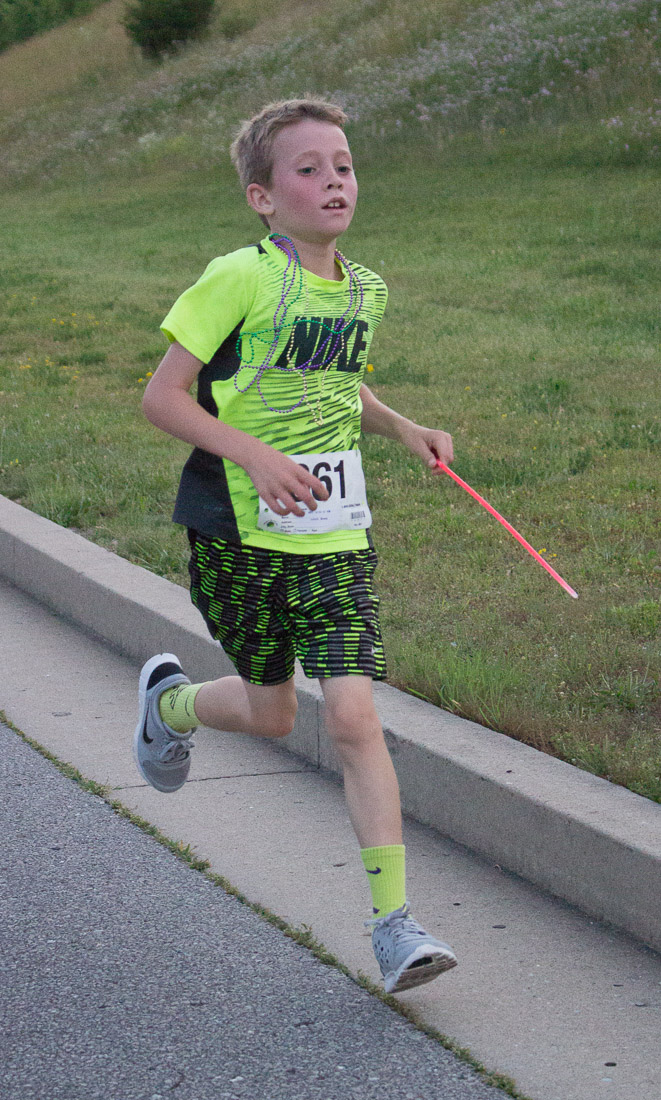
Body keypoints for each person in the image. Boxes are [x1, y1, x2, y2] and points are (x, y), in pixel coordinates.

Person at [134, 98, 457, 994]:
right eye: (308, 170)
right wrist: (255, 455)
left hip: (334, 533)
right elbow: (163, 398)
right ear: (262, 198)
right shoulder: (237, 277)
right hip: (236, 531)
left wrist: (402, 427)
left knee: (352, 715)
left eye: (342, 166)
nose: (333, 182)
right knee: (273, 713)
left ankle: (394, 924)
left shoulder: (364, 289)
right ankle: (172, 706)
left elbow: (337, 381)